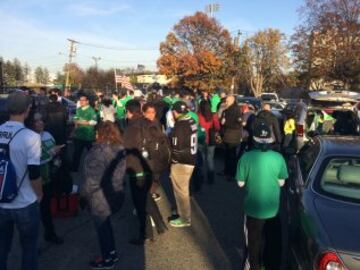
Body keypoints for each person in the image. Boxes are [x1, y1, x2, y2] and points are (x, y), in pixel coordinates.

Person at [236, 121, 288, 270]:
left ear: (254, 138)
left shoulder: (245, 157)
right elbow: (282, 183)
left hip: (252, 209)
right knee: (273, 241)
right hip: (273, 209)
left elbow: (240, 183)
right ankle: (271, 266)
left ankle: (255, 267)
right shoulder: (278, 157)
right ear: (270, 139)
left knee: (253, 242)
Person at [0, 92, 43, 270]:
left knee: (2, 248)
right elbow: (34, 173)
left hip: (1, 203)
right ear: (27, 110)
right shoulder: (31, 137)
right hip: (25, 202)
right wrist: (40, 194)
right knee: (29, 248)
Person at [82, 121, 126, 269]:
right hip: (116, 191)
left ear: (99, 133)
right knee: (106, 226)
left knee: (102, 228)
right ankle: (112, 253)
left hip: (99, 195)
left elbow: (92, 180)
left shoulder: (97, 151)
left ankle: (107, 259)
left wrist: (83, 195)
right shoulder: (120, 148)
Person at [124, 100, 167, 245]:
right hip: (149, 166)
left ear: (129, 112)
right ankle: (160, 225)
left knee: (140, 204)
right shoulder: (146, 123)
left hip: (136, 170)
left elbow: (127, 149)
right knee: (146, 198)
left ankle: (145, 234)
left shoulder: (131, 127)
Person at [27, 112, 64, 245]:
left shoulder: (48, 135)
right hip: (33, 179)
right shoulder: (28, 138)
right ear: (31, 123)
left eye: (41, 120)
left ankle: (50, 233)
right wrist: (50, 153)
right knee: (32, 212)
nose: (40, 123)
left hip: (48, 177)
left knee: (46, 208)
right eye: (36, 121)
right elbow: (31, 160)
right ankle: (31, 241)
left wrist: (56, 151)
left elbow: (52, 152)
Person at [169, 101, 197, 227]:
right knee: (183, 190)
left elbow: (176, 147)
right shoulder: (191, 120)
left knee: (181, 191)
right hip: (191, 157)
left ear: (175, 112)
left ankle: (185, 218)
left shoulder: (179, 125)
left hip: (182, 161)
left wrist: (173, 161)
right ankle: (182, 211)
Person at [71, 94, 97, 172]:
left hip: (88, 136)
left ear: (87, 101)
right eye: (80, 100)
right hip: (78, 136)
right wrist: (74, 131)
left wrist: (80, 122)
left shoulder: (91, 110)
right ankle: (74, 169)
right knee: (76, 154)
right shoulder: (78, 109)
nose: (81, 102)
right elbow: (75, 120)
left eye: (83, 100)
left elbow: (94, 122)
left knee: (92, 155)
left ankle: (94, 169)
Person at [220, 95, 243, 181]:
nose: (226, 103)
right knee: (226, 155)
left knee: (232, 155)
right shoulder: (227, 109)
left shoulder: (236, 109)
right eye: (225, 101)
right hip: (227, 135)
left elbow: (237, 124)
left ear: (232, 101)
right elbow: (223, 119)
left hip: (233, 136)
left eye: (227, 101)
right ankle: (226, 171)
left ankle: (231, 173)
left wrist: (225, 123)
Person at [198, 100, 220, 185]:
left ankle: (201, 177)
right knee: (210, 159)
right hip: (211, 139)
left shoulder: (198, 115)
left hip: (201, 139)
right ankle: (211, 179)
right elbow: (217, 127)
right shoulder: (213, 115)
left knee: (201, 160)